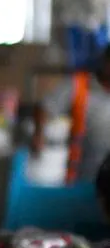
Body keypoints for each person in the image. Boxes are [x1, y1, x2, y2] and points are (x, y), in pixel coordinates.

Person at [33, 47, 110, 184]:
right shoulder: (79, 85)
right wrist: (39, 134)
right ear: (105, 62)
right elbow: (45, 107)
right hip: (82, 173)